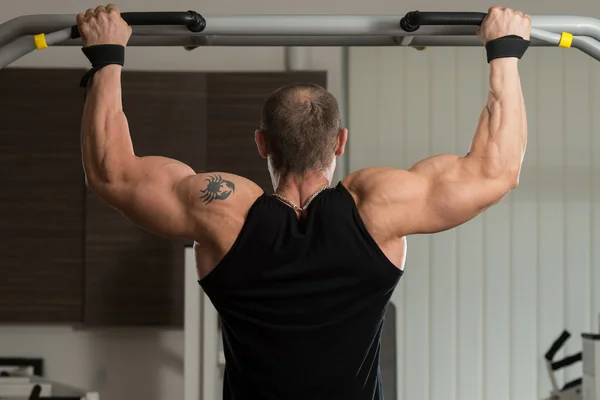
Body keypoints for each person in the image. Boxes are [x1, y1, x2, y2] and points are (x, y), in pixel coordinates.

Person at [78, 4, 530, 399]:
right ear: (340, 143)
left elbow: (110, 172)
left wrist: (107, 56)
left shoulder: (224, 212)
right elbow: (497, 170)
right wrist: (504, 52)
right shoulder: (378, 208)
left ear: (261, 143)